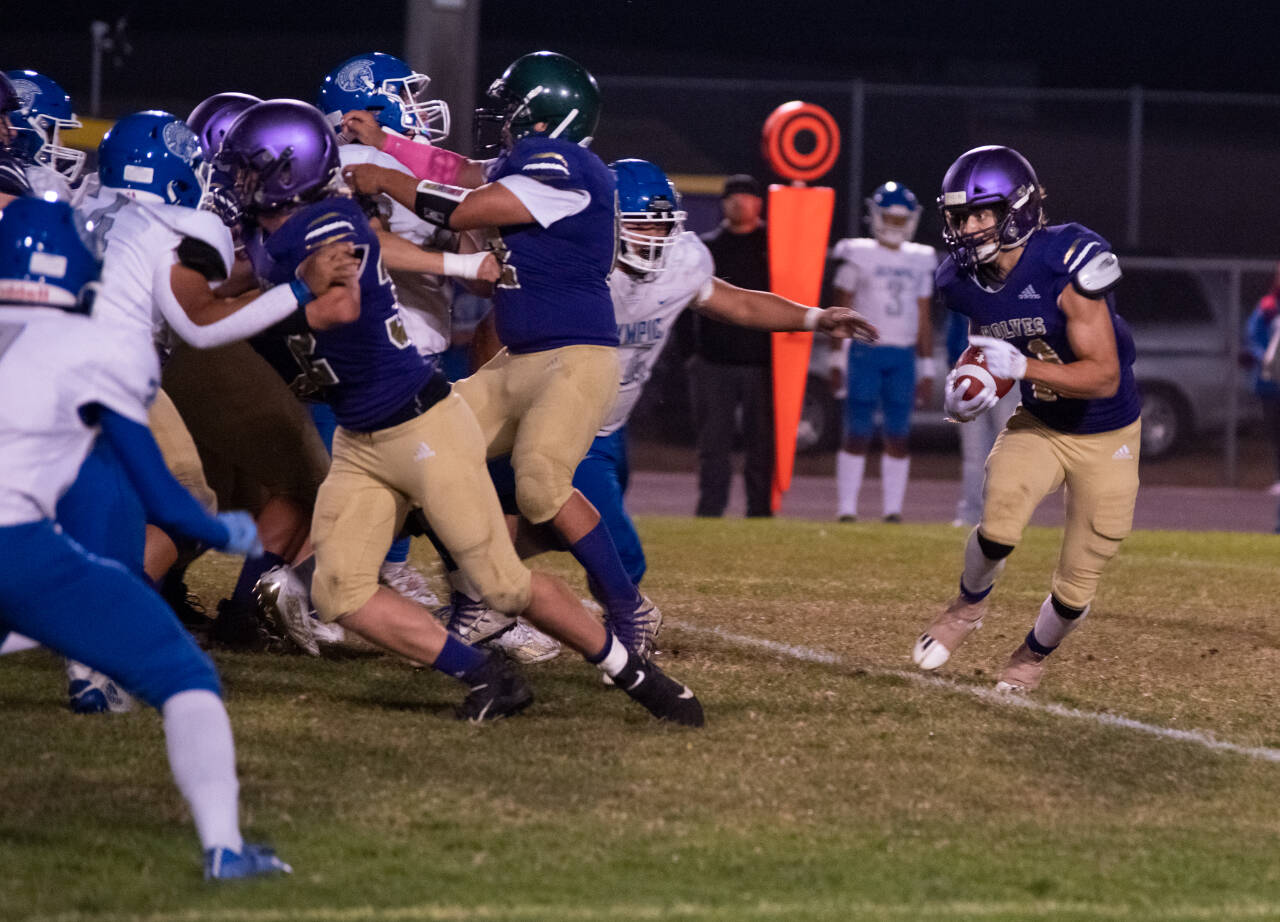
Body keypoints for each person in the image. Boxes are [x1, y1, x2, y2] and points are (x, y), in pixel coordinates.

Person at [218, 98, 703, 725]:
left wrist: (262, 305)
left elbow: (332, 306)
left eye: (249, 169)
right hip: (363, 441)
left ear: (288, 171)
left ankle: (632, 670)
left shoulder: (329, 227)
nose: (237, 181)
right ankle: (483, 675)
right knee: (342, 591)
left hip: (419, 427)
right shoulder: (271, 235)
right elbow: (224, 293)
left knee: (508, 580)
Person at [0, 196, 290, 880]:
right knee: (183, 673)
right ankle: (223, 847)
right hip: (22, 550)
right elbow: (164, 497)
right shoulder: (89, 344)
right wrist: (224, 529)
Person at [342, 51, 666, 658]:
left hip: (574, 358)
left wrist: (386, 176)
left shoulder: (570, 167)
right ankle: (474, 602)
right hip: (517, 364)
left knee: (541, 485)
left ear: (543, 116)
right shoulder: (533, 164)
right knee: (422, 448)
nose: (503, 121)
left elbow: (463, 207)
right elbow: (462, 170)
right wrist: (389, 141)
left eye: (512, 111)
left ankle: (629, 610)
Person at [577, 158, 876, 584]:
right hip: (564, 416)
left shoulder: (681, 263)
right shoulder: (576, 266)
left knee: (555, 523)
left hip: (611, 425)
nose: (654, 238)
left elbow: (740, 304)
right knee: (618, 553)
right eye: (641, 225)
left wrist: (816, 317)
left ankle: (487, 593)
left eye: (662, 225)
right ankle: (623, 636)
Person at [911, 145, 1140, 693]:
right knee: (999, 517)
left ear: (1015, 209)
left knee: (1080, 578)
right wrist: (970, 386)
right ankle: (965, 609)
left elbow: (1104, 374)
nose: (967, 227)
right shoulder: (958, 281)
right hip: (1039, 421)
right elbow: (991, 343)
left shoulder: (1066, 261)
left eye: (979, 213)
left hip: (1107, 433)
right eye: (959, 216)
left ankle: (1031, 656)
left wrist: (1023, 365)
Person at [829, 182, 936, 523]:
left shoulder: (919, 260)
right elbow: (840, 310)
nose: (894, 223)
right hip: (865, 352)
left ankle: (893, 510)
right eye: (888, 216)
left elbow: (923, 315)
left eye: (899, 217)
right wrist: (835, 357)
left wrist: (927, 366)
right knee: (857, 431)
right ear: (875, 216)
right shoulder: (857, 254)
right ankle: (846, 509)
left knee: (899, 434)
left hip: (903, 356)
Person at [689, 174, 774, 518]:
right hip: (713, 360)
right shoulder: (707, 246)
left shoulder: (774, 247)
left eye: (746, 195)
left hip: (763, 361)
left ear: (759, 203)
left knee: (762, 443)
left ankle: (760, 510)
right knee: (713, 444)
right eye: (732, 196)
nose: (739, 201)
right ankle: (710, 509)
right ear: (722, 204)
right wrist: (690, 354)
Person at [945, 308, 1019, 527]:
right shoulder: (963, 282)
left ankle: (1007, 515)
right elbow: (955, 329)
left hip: (1007, 375)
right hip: (967, 373)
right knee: (974, 452)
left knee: (1008, 450)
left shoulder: (1015, 284)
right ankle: (971, 513)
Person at [1246, 266, 1280, 504]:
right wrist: (1265, 358)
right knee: (1275, 432)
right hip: (1272, 383)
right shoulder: (1269, 307)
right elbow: (1251, 336)